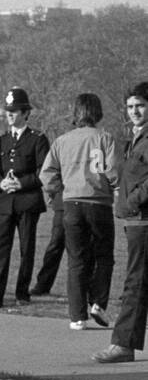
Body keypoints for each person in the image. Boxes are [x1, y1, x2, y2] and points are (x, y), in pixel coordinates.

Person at [41, 93, 120, 330]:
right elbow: (114, 172)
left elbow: (47, 174)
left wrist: (59, 189)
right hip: (98, 203)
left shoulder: (62, 141)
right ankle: (98, 302)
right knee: (104, 256)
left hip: (72, 204)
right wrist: (114, 188)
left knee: (76, 260)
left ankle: (77, 316)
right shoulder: (104, 138)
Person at [0, 88, 50, 308]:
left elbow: (43, 171)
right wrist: (0, 183)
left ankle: (22, 293)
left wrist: (21, 183)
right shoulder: (3, 139)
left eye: (15, 110)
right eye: (8, 110)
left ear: (25, 113)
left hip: (28, 201)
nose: (9, 114)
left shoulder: (37, 139)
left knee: (26, 249)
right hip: (6, 202)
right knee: (0, 250)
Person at [94, 83, 148, 362]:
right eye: (130, 106)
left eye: (140, 105)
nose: (134, 111)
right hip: (135, 220)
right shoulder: (136, 138)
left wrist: (132, 201)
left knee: (135, 283)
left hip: (143, 220)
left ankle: (123, 344)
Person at [31, 180, 66, 296]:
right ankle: (43, 285)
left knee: (57, 246)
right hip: (63, 203)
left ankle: (86, 288)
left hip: (73, 201)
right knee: (55, 245)